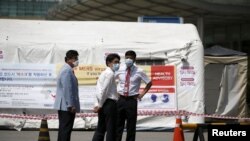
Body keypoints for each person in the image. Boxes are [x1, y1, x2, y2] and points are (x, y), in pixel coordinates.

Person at [116, 50, 152, 141]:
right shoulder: (119, 69)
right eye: (127, 57)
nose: (128, 59)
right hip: (120, 99)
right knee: (118, 125)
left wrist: (142, 94)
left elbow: (149, 83)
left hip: (131, 100)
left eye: (131, 58)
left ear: (134, 59)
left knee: (131, 126)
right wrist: (114, 93)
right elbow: (112, 80)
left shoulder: (139, 71)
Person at [92, 53, 121, 141]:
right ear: (108, 62)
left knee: (101, 128)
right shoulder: (110, 74)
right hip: (109, 104)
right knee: (111, 130)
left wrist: (97, 104)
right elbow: (104, 90)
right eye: (115, 62)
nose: (117, 64)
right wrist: (99, 105)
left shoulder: (103, 73)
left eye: (119, 62)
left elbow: (98, 90)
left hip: (103, 103)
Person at [54, 50, 80, 141]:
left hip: (65, 105)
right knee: (66, 130)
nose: (77, 60)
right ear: (69, 59)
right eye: (75, 58)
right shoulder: (67, 70)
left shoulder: (67, 69)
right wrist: (70, 104)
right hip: (66, 106)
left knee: (64, 129)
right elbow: (67, 89)